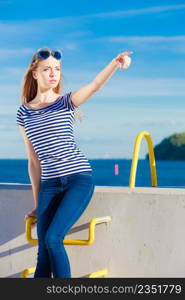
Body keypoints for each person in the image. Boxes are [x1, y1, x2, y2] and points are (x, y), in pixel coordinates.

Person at [16, 46, 133, 278]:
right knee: (43, 254)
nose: (53, 73)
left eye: (57, 69)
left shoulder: (66, 102)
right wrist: (38, 203)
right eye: (47, 69)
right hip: (49, 185)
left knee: (53, 239)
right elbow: (33, 161)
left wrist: (115, 63)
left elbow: (95, 85)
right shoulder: (24, 112)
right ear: (34, 73)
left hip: (77, 179)